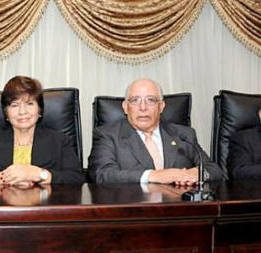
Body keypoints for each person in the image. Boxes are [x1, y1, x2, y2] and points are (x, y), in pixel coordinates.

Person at [88, 78, 224, 184]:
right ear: (125, 107)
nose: (143, 107)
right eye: (135, 100)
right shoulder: (107, 135)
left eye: (151, 100)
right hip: (132, 211)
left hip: (180, 210)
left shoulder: (183, 135)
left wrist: (196, 174)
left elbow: (214, 170)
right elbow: (102, 174)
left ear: (161, 106)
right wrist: (152, 175)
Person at [0, 76, 83, 186]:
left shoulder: (60, 141)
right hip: (2, 206)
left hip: (45, 206)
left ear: (40, 110)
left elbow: (76, 178)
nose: (22, 112)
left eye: (29, 104)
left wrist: (39, 174)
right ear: (6, 112)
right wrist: (7, 178)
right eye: (15, 105)